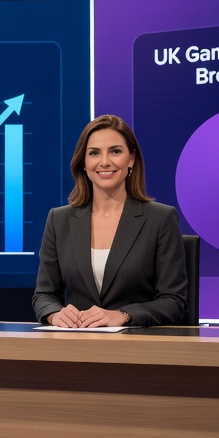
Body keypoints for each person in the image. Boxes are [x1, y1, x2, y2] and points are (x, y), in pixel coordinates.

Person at [33, 115, 187, 327]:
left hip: (137, 347)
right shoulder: (58, 220)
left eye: (115, 151)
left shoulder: (161, 218)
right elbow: (44, 295)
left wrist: (123, 315)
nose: (104, 162)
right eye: (94, 153)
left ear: (131, 159)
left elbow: (174, 301)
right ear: (84, 163)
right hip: (76, 347)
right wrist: (54, 314)